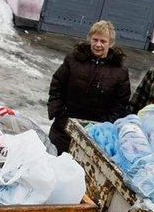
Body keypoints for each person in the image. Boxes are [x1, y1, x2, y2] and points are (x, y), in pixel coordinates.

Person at [47, 20, 131, 153]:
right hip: (63, 127)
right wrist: (57, 112)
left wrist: (105, 126)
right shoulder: (73, 59)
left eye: (103, 41)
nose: (98, 45)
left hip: (95, 135)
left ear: (111, 43)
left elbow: (121, 104)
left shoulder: (119, 71)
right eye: (95, 40)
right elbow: (57, 84)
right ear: (89, 39)